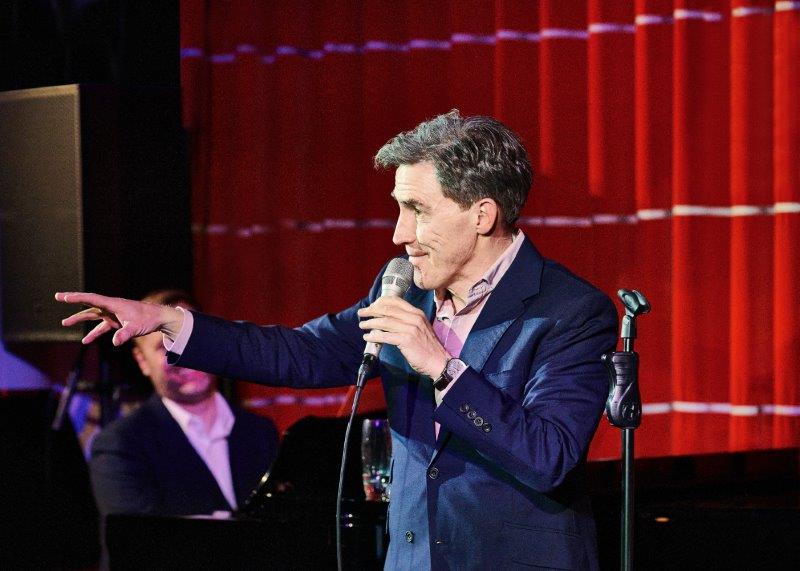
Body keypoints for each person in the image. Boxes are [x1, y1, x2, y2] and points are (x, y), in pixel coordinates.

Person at [57, 110, 617, 570]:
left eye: (417, 210)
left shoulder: (570, 311)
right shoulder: (407, 290)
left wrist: (443, 368)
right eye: (399, 209)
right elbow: (300, 352)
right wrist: (170, 322)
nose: (399, 234)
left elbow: (550, 457)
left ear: (482, 214)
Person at [88, 289, 279, 518]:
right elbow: (136, 535)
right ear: (142, 361)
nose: (185, 356)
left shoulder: (261, 432)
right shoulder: (121, 445)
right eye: (165, 346)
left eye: (192, 340)